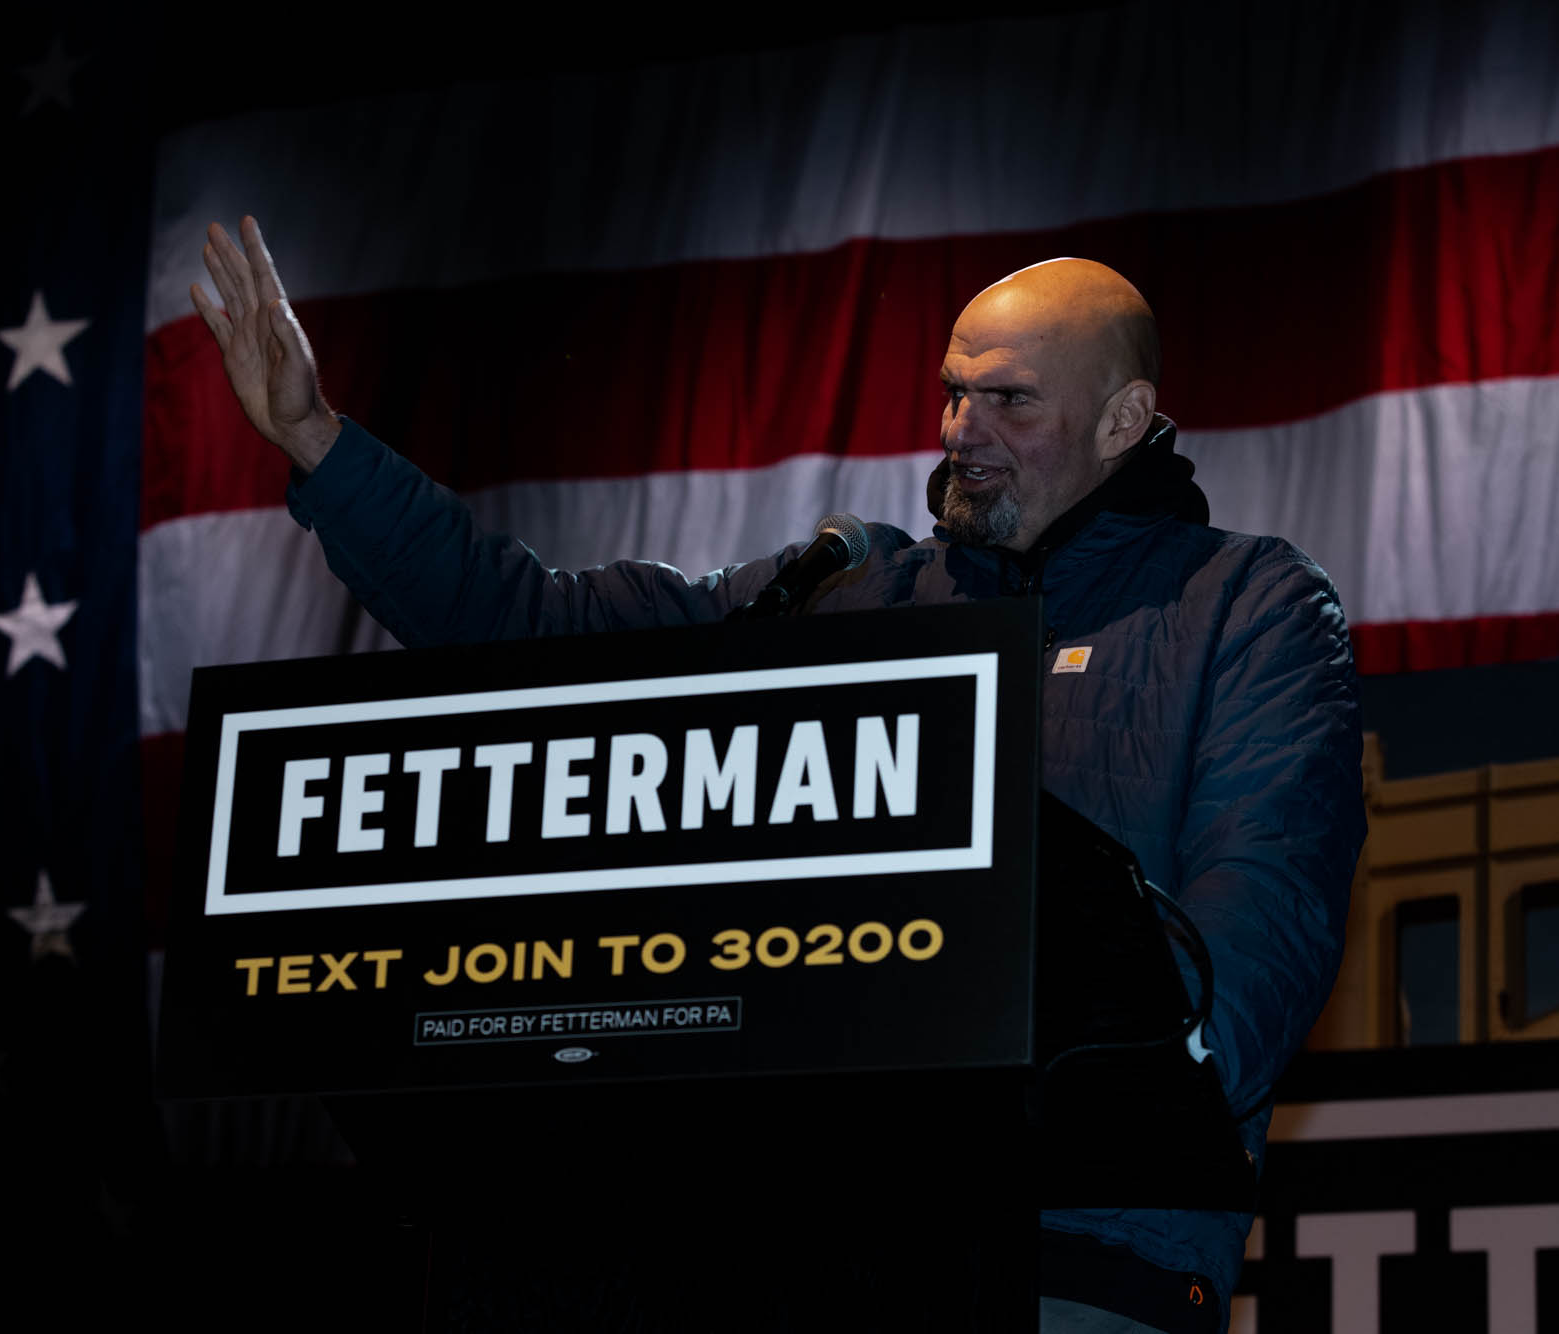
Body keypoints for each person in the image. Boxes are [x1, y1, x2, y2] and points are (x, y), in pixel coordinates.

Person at [190, 215, 1366, 1333]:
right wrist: (316, 441)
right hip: (786, 1256)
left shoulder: (1247, 606)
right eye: (953, 391)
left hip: (1077, 1255)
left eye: (1008, 400)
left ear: (1125, 420)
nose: (961, 430)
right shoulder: (841, 595)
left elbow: (1251, 953)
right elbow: (535, 626)